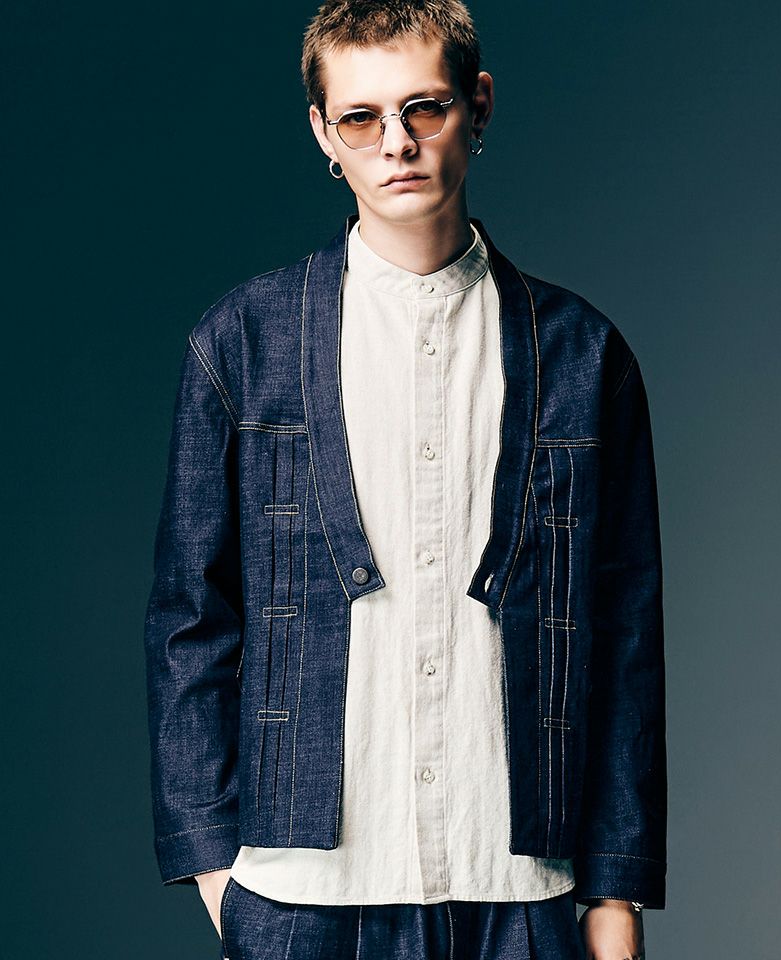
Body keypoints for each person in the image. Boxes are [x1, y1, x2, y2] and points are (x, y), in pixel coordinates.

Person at [143, 1, 667, 958]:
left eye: (424, 107)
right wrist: (221, 875)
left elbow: (624, 632)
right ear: (323, 132)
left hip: (522, 893)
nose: (396, 144)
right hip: (302, 894)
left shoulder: (585, 357)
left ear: (479, 104)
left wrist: (616, 895)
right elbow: (191, 618)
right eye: (361, 118)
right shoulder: (243, 345)